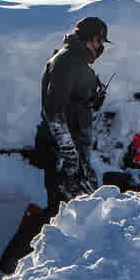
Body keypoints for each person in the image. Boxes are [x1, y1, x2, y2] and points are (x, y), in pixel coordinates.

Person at [40, 14, 108, 206]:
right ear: (93, 38)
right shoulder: (65, 62)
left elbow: (74, 101)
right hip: (64, 156)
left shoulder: (79, 63)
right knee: (68, 212)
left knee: (85, 209)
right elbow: (53, 111)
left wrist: (93, 100)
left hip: (77, 151)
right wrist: (69, 153)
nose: (101, 48)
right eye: (100, 42)